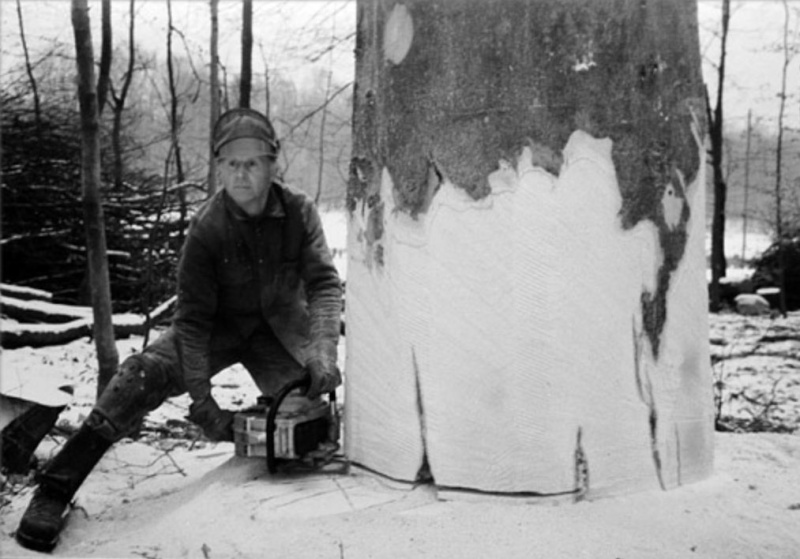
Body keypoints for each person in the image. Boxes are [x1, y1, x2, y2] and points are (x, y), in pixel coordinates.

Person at [15, 108, 343, 552]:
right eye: (231, 164)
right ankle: (54, 490)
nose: (241, 174)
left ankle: (263, 487)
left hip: (278, 331)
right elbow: (191, 322)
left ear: (272, 165)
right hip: (216, 329)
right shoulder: (207, 228)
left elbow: (324, 285)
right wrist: (202, 400)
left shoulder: (300, 212)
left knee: (306, 417)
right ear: (218, 167)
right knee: (138, 377)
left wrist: (322, 352)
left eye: (252, 163)